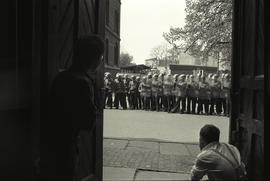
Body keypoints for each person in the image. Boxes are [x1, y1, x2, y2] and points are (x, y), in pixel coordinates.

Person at [47, 35, 104, 181]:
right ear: (95, 59)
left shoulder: (61, 77)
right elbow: (88, 123)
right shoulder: (83, 82)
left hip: (50, 142)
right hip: (67, 145)